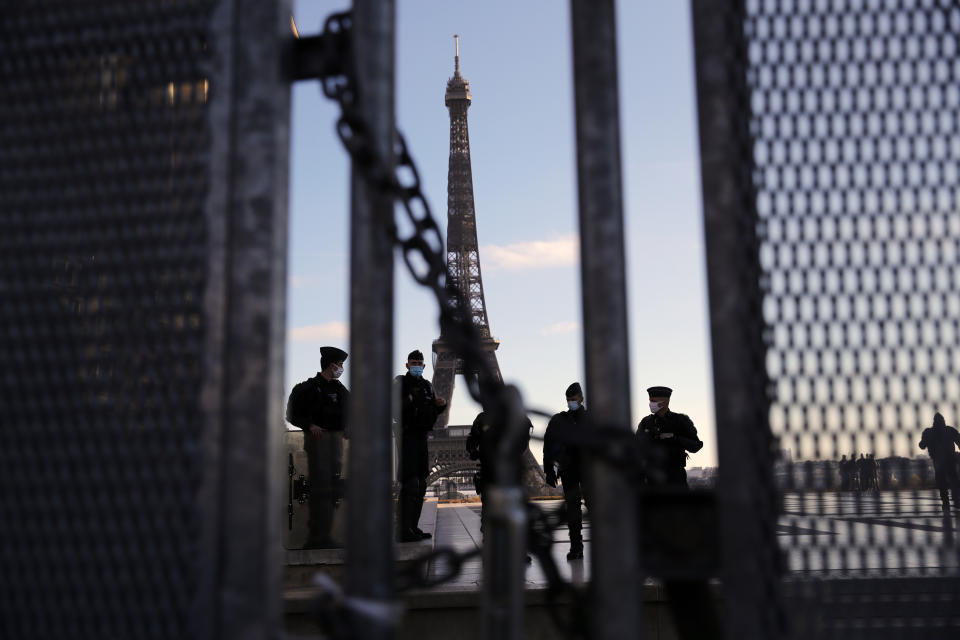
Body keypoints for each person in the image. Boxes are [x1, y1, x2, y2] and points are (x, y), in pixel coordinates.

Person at [285, 346, 349, 549]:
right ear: (331, 365)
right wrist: (309, 425)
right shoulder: (307, 389)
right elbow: (291, 414)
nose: (341, 368)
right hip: (318, 443)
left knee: (331, 488)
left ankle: (325, 535)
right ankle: (317, 536)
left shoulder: (340, 390)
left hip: (336, 443)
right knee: (320, 488)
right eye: (340, 365)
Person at [396, 350, 447, 542]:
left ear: (424, 366)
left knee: (422, 483)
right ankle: (403, 529)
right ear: (407, 364)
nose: (416, 365)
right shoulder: (400, 383)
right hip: (407, 434)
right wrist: (407, 402)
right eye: (413, 362)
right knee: (410, 483)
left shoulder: (427, 386)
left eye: (419, 362)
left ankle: (413, 526)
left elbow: (431, 410)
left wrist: (440, 405)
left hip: (422, 436)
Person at [466, 410, 532, 541]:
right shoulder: (483, 418)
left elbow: (523, 440)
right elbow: (472, 439)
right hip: (492, 466)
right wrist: (473, 450)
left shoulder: (515, 417)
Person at [543, 382, 590, 561]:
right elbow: (548, 445)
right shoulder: (559, 419)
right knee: (572, 511)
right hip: (569, 469)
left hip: (588, 470)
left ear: (581, 398)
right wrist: (549, 471)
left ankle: (596, 546)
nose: (571, 402)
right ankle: (576, 547)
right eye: (568, 399)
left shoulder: (591, 418)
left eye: (574, 399)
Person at [636, 386, 703, 487]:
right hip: (653, 478)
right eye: (650, 401)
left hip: (675, 477)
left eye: (654, 401)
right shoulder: (646, 422)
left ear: (664, 402)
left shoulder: (681, 420)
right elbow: (636, 447)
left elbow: (696, 446)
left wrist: (675, 438)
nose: (651, 404)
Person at [919, 413, 960, 512]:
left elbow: (922, 445)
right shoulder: (949, 430)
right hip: (950, 459)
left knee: (942, 482)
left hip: (938, 461)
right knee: (953, 479)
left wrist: (926, 441)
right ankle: (956, 499)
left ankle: (946, 502)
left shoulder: (929, 432)